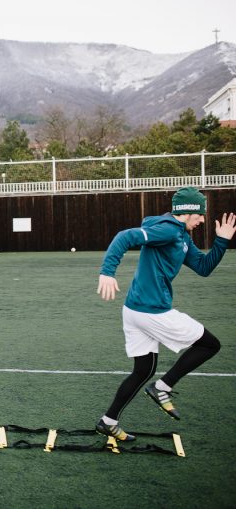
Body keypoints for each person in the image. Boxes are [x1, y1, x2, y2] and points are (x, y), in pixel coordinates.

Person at [95, 187, 235, 441]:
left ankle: (108, 421)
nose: (203, 219)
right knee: (209, 344)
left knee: (143, 370)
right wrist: (107, 271)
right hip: (152, 312)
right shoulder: (169, 229)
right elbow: (124, 236)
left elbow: (203, 267)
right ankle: (163, 387)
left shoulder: (181, 236)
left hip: (134, 310)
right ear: (189, 212)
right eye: (200, 215)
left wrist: (222, 241)